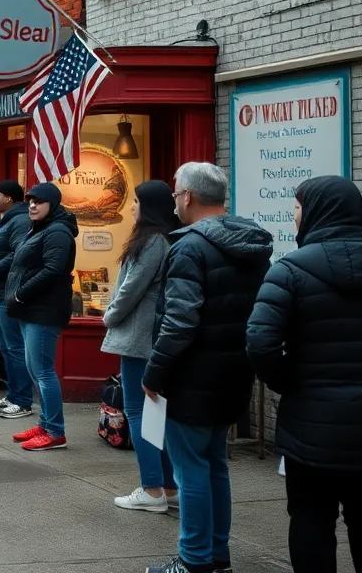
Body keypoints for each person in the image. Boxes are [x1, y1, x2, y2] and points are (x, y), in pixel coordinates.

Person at [143, 162, 272, 573]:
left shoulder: (188, 247)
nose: (175, 200)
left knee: (190, 470)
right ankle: (218, 556)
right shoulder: (252, 244)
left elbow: (179, 321)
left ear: (188, 197)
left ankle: (195, 559)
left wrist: (155, 372)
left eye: (176, 192)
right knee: (214, 464)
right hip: (234, 370)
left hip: (193, 375)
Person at [248, 175, 362, 573]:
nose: (294, 217)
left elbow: (261, 344)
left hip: (311, 431)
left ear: (315, 212)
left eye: (297, 208)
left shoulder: (289, 272)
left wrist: (292, 384)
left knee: (311, 520)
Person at [102, 180, 179, 513]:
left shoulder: (154, 242)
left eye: (135, 201)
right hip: (147, 338)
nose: (131, 207)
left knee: (138, 411)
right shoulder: (161, 240)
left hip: (140, 339)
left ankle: (151, 488)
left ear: (149, 206)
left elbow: (131, 288)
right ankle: (168, 487)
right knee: (155, 414)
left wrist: (109, 315)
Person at [5, 182, 78, 452]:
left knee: (44, 372)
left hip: (43, 312)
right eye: (30, 201)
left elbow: (54, 269)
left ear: (53, 205)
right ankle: (45, 423)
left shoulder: (58, 231)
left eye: (39, 201)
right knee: (36, 370)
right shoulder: (40, 228)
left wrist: (22, 294)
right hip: (29, 311)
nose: (33, 205)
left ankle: (55, 432)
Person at [0, 180, 35, 419]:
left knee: (14, 347)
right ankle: (12, 396)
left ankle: (23, 400)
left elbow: (20, 252)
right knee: (6, 347)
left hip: (6, 293)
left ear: (10, 198)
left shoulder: (20, 220)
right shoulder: (8, 219)